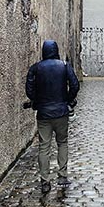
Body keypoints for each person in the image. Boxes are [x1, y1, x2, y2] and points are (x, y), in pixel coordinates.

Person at [25, 40, 80, 193]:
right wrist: (67, 99)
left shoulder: (36, 68)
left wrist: (37, 101)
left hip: (43, 114)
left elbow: (29, 91)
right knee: (62, 142)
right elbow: (75, 85)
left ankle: (45, 180)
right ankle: (62, 176)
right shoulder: (64, 66)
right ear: (56, 50)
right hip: (61, 112)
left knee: (44, 146)